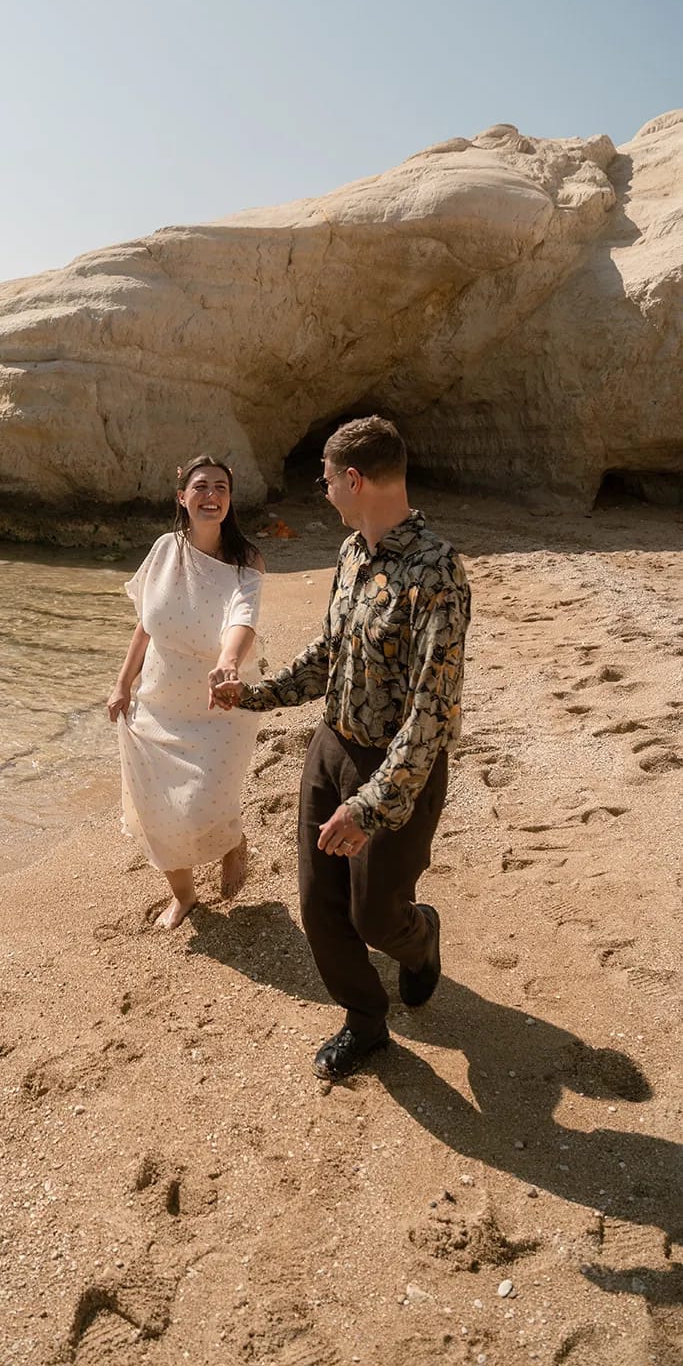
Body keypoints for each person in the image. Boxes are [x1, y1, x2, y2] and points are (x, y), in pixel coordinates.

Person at [212, 416, 470, 1079]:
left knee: (375, 915)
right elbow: (328, 653)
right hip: (332, 747)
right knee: (320, 907)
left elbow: (428, 711)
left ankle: (418, 941)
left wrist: (372, 803)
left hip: (397, 771)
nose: (323, 492)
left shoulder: (437, 572)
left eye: (325, 480)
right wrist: (255, 694)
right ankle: (364, 1019)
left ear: (352, 479)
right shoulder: (353, 552)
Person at [107, 456, 265, 929]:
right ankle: (184, 897)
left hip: (221, 701)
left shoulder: (245, 560)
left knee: (201, 804)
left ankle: (231, 838)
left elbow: (244, 616)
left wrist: (228, 661)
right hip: (156, 703)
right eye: (200, 487)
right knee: (158, 812)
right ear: (182, 497)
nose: (211, 495)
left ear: (230, 499)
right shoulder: (163, 550)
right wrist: (122, 683)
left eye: (221, 487)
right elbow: (146, 624)